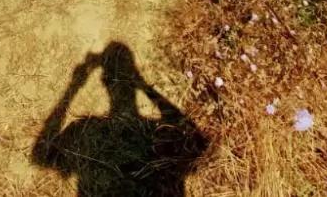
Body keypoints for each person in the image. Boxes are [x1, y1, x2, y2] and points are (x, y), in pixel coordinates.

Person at [32, 42, 207, 197]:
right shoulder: (154, 134)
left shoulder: (88, 132)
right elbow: (197, 142)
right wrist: (144, 86)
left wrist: (73, 87)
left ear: (104, 82)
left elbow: (41, 155)